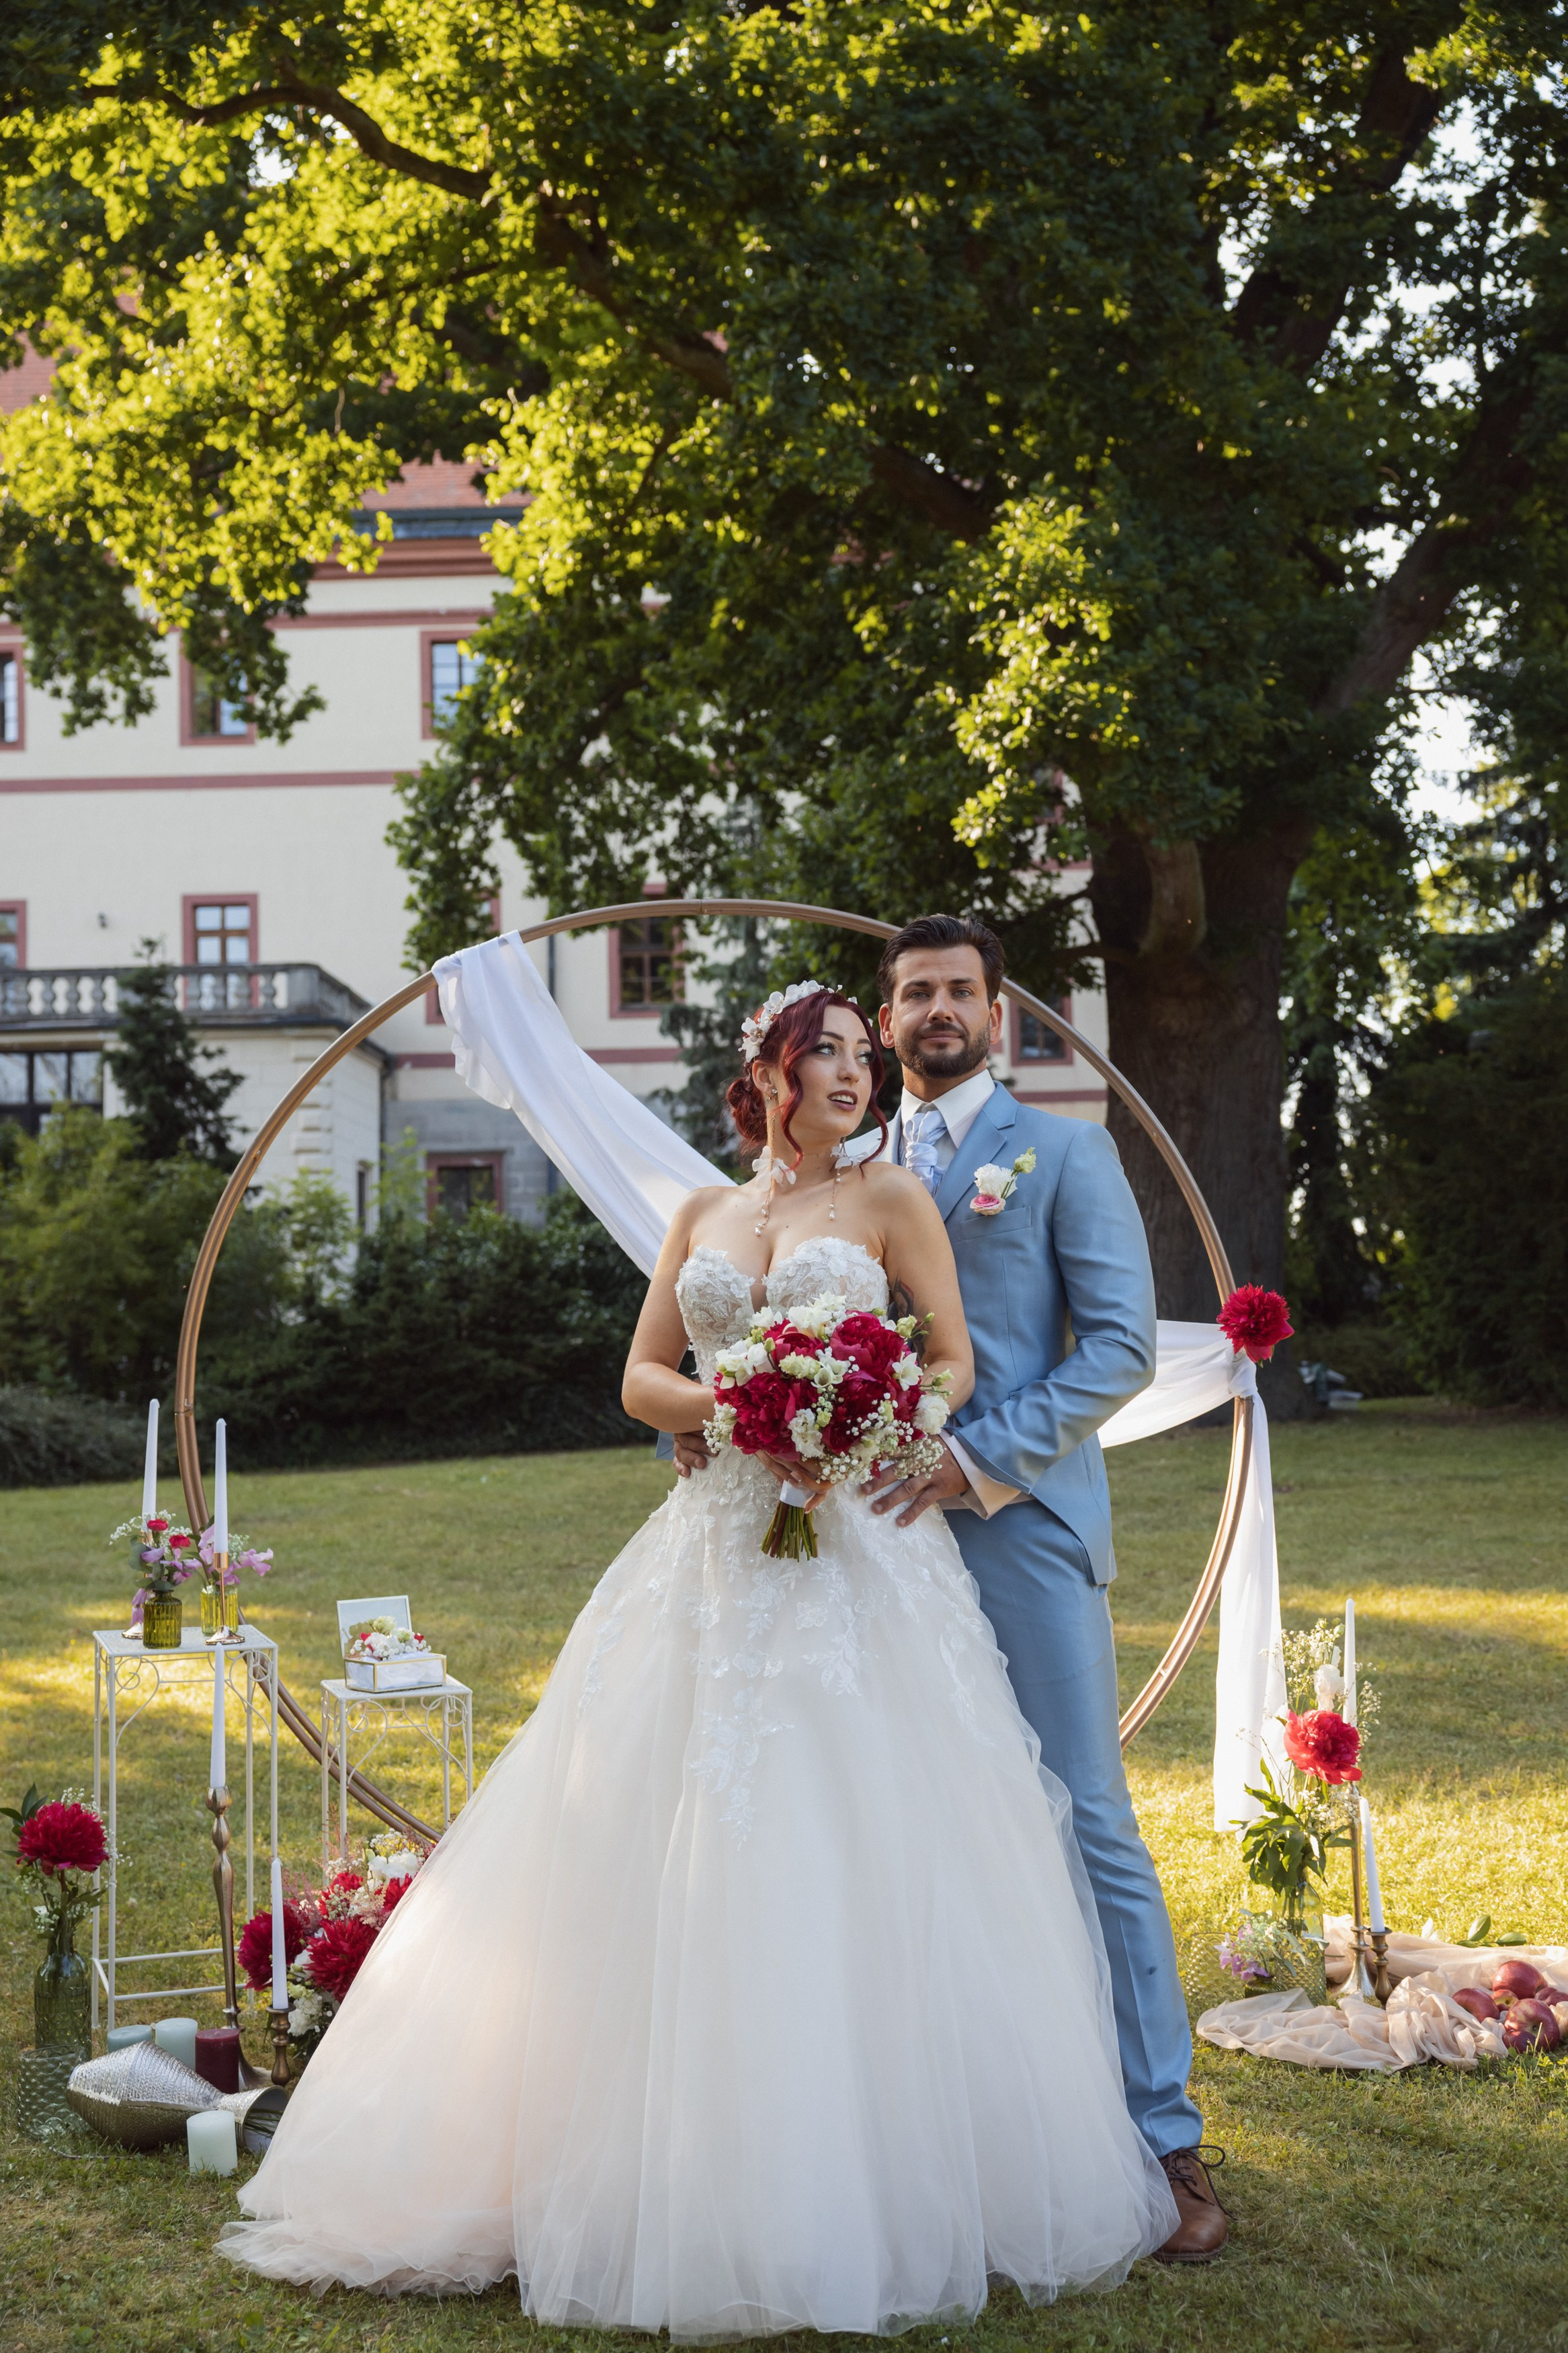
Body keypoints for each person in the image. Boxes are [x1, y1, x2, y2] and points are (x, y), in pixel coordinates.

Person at [219, 981, 1177, 2332]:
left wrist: (870, 1412)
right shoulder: (702, 1216)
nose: (859, 1073)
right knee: (648, 1820)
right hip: (715, 1548)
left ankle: (874, 2173)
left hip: (857, 1551)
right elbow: (643, 1377)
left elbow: (953, 1359)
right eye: (833, 1054)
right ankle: (642, 2158)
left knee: (855, 1827)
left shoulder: (894, 1204)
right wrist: (746, 1401)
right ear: (773, 1073)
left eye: (866, 1054)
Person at [674, 921, 1227, 2259]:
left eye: (959, 991)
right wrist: (716, 1421)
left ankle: (1163, 2135)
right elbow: (744, 1317)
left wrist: (967, 1460)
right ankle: (941, 2131)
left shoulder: (1064, 1151)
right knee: (883, 1825)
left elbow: (1117, 1351)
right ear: (877, 1019)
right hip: (856, 1548)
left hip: (1014, 1525)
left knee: (1082, 1813)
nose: (936, 1010)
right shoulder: (841, 1167)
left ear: (999, 1013)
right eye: (913, 992)